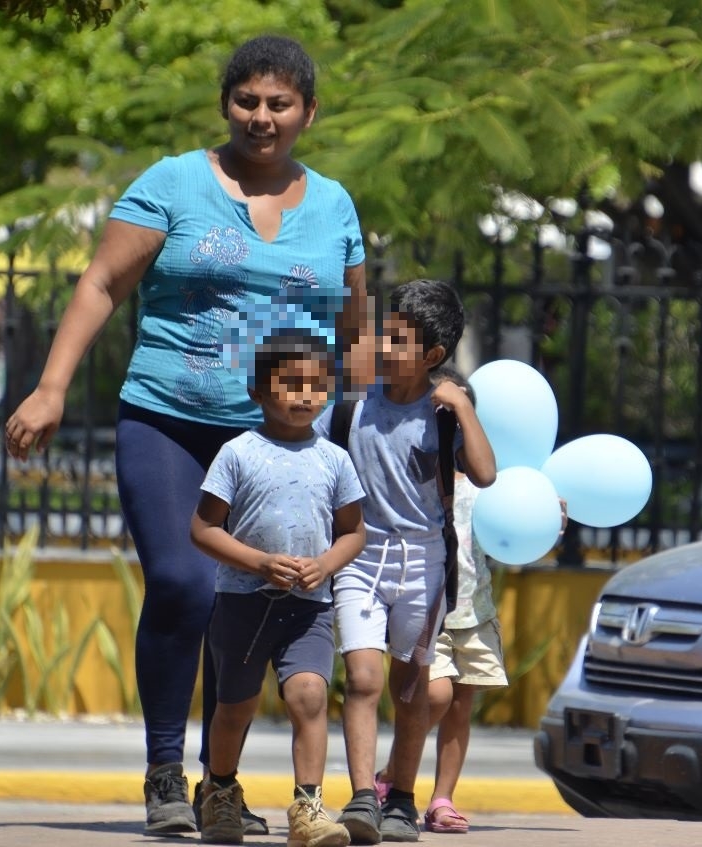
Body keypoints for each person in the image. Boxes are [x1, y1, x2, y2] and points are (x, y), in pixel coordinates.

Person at [2, 35, 369, 837]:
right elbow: (101, 282)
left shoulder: (335, 204)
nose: (261, 117)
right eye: (247, 100)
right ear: (224, 104)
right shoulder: (172, 182)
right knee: (183, 582)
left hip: (278, 444)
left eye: (279, 104)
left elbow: (354, 329)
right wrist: (52, 386)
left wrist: (372, 425)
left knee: (245, 602)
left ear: (308, 111)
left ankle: (220, 785)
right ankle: (165, 772)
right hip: (166, 418)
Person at [315, 279, 497, 844]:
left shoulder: (441, 415)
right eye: (382, 333)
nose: (382, 346)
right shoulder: (351, 407)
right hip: (360, 556)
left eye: (398, 340)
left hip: (424, 561)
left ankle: (403, 797)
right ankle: (364, 798)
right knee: (363, 678)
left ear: (433, 357)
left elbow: (486, 474)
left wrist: (464, 407)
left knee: (413, 686)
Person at [189, 330, 364, 846]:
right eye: (292, 384)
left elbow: (354, 531)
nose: (307, 395)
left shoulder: (334, 459)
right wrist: (260, 562)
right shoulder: (238, 454)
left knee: (309, 695)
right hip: (243, 604)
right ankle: (220, 790)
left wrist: (327, 564)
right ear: (259, 392)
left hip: (309, 607)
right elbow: (203, 530)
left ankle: (308, 808)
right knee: (235, 706)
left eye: (317, 384)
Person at [371, 366, 506, 836]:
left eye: (460, 413)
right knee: (437, 694)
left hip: (475, 608)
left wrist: (552, 515)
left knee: (462, 704)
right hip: (431, 603)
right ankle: (393, 773)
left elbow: (513, 530)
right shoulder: (421, 478)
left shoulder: (487, 482)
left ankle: (442, 798)